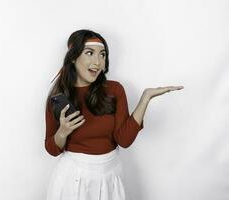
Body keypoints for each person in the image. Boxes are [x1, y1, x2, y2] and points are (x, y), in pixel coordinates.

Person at [44, 29, 184, 200]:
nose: (98, 62)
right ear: (73, 58)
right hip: (72, 179)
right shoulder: (59, 98)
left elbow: (124, 140)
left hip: (110, 176)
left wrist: (145, 98)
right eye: (90, 53)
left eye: (102, 55)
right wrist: (62, 132)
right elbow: (52, 149)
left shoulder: (114, 90)